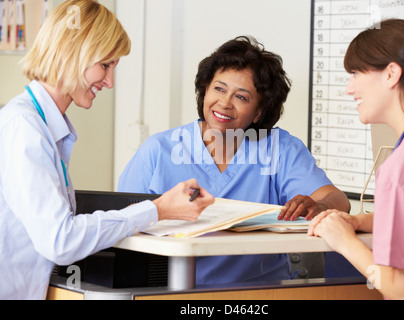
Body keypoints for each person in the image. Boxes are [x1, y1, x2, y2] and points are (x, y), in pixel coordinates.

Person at [0, 0, 213, 300]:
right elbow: (60, 240)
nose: (110, 82)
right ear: (72, 53)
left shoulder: (40, 125)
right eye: (105, 65)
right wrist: (157, 209)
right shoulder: (25, 128)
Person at [118, 36, 350, 285]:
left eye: (241, 97)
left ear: (259, 111)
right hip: (172, 289)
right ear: (205, 90)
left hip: (261, 294)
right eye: (219, 89)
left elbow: (339, 201)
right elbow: (123, 223)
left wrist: (321, 206)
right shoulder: (158, 150)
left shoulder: (280, 148)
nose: (224, 103)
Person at [308, 19, 404, 300]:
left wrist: (346, 242)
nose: (349, 89)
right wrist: (360, 221)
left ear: (391, 74)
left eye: (356, 74)